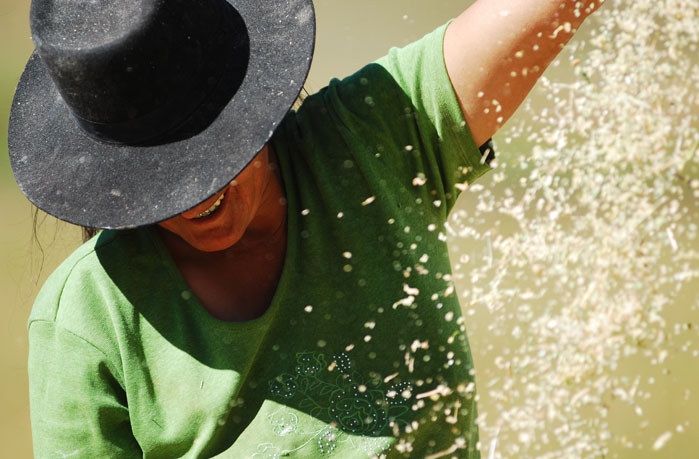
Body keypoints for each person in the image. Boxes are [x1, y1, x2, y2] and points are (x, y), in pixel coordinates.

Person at [9, 0, 602, 457]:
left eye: (213, 151)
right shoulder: (85, 322)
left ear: (253, 100)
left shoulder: (371, 140)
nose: (198, 197)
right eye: (158, 178)